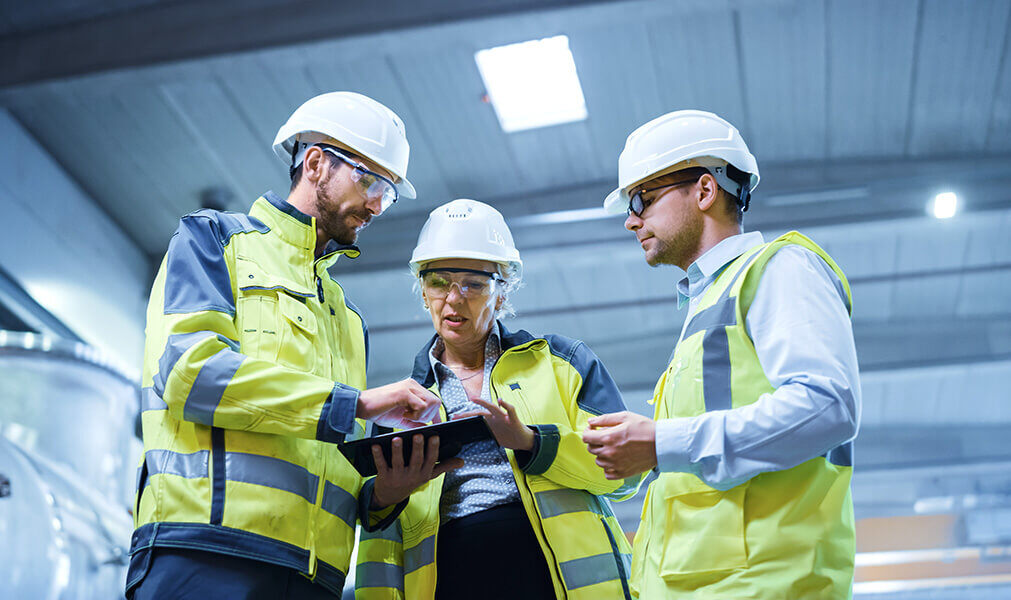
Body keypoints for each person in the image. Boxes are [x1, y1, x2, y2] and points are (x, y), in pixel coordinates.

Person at [126, 92, 455, 599]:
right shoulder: (216, 241)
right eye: (369, 181)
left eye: (386, 194)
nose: (375, 205)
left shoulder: (346, 317)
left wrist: (383, 493)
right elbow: (189, 373)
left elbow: (334, 460)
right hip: (207, 555)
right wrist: (355, 402)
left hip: (312, 577)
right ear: (317, 163)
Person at [581, 110, 861, 598]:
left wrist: (663, 443)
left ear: (705, 191)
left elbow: (828, 404)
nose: (631, 220)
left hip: (765, 586)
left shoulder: (779, 269)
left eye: (642, 199)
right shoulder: (708, 304)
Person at [354, 199, 642, 600]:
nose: (454, 299)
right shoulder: (396, 406)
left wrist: (532, 443)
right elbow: (373, 532)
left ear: (503, 293)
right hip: (451, 583)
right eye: (439, 282)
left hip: (552, 582)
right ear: (423, 292)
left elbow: (628, 471)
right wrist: (387, 494)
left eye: (473, 283)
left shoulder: (563, 363)